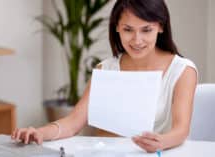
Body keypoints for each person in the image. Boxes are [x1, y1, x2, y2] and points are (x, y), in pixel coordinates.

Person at [11, 0, 197, 153]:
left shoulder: (182, 70)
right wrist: (39, 132)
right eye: (128, 30)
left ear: (161, 27)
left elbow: (181, 130)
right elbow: (74, 122)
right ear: (117, 28)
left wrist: (160, 141)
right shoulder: (106, 68)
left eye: (146, 30)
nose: (137, 40)